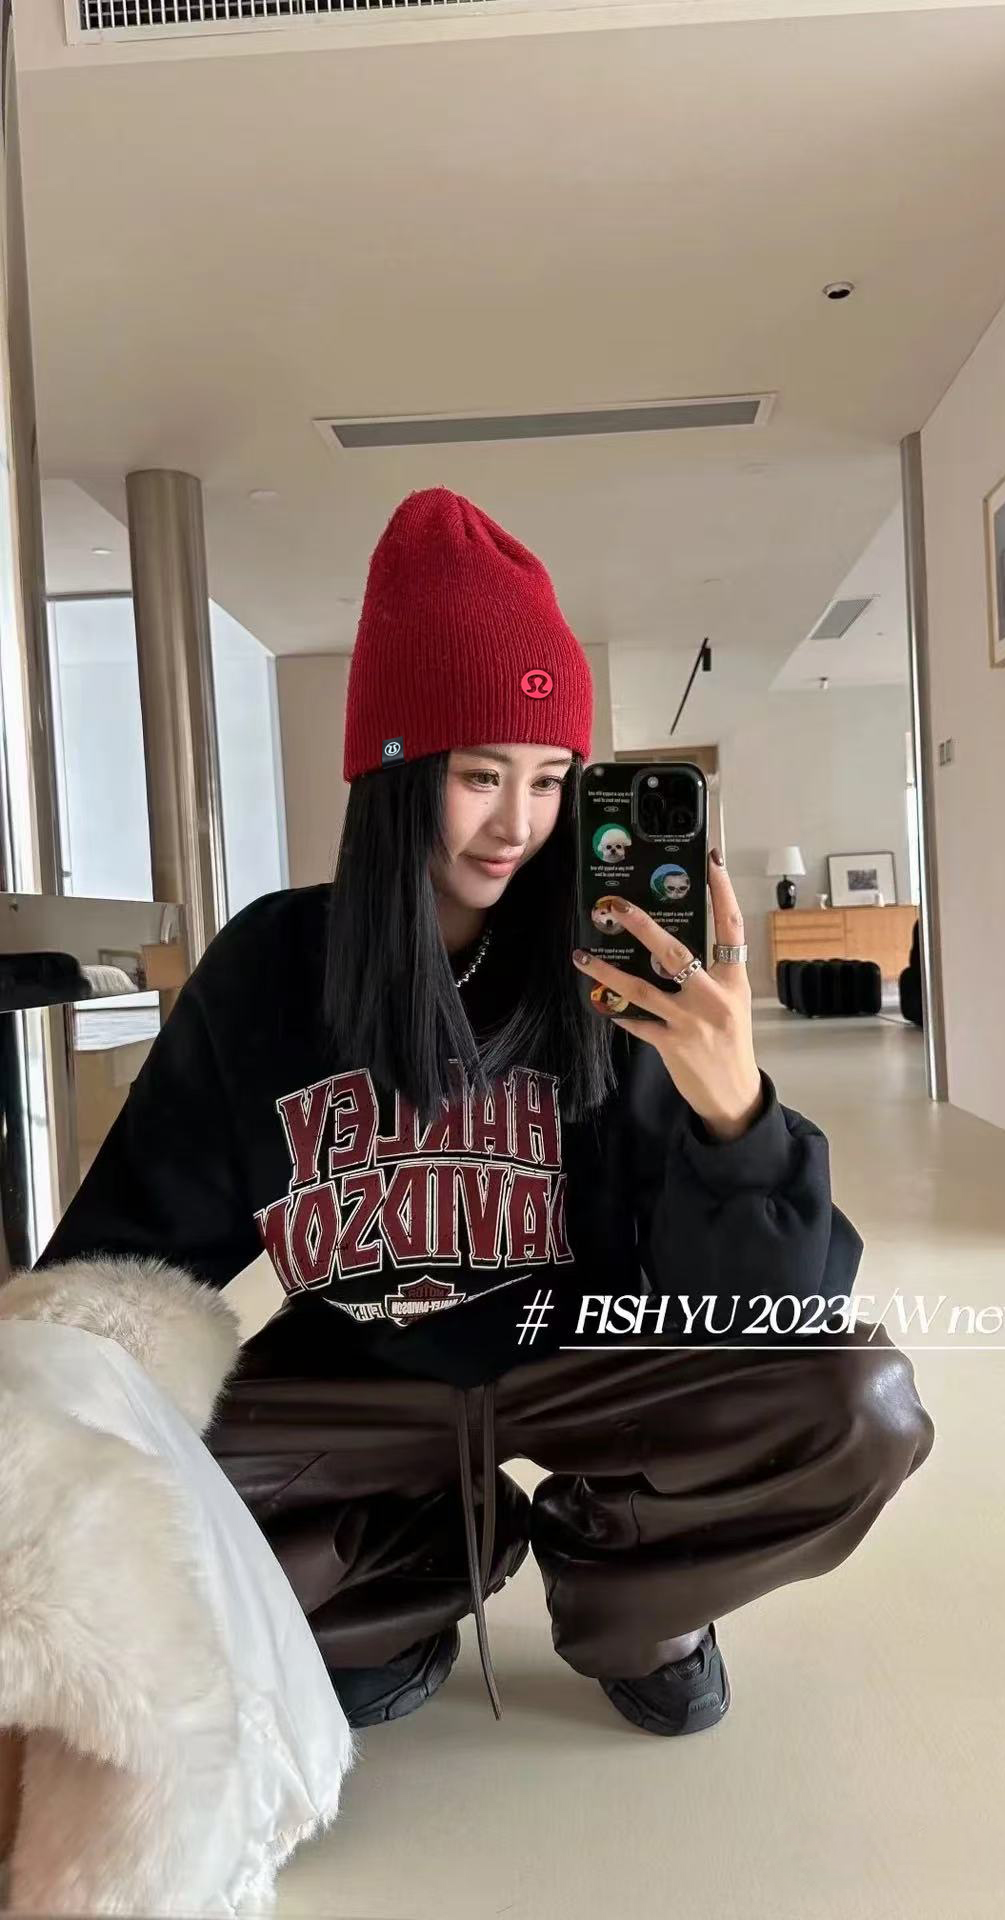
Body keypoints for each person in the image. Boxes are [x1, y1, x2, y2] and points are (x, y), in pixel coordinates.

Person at [34, 489, 933, 1740]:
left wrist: (734, 1105)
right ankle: (412, 1567)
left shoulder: (606, 967)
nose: (518, 824)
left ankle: (620, 1590)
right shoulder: (273, 967)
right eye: (478, 776)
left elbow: (755, 1319)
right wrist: (64, 1419)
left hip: (587, 1366)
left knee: (855, 1403)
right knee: (109, 1474)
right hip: (361, 1380)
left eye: (551, 779)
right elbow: (130, 1260)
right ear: (395, 775)